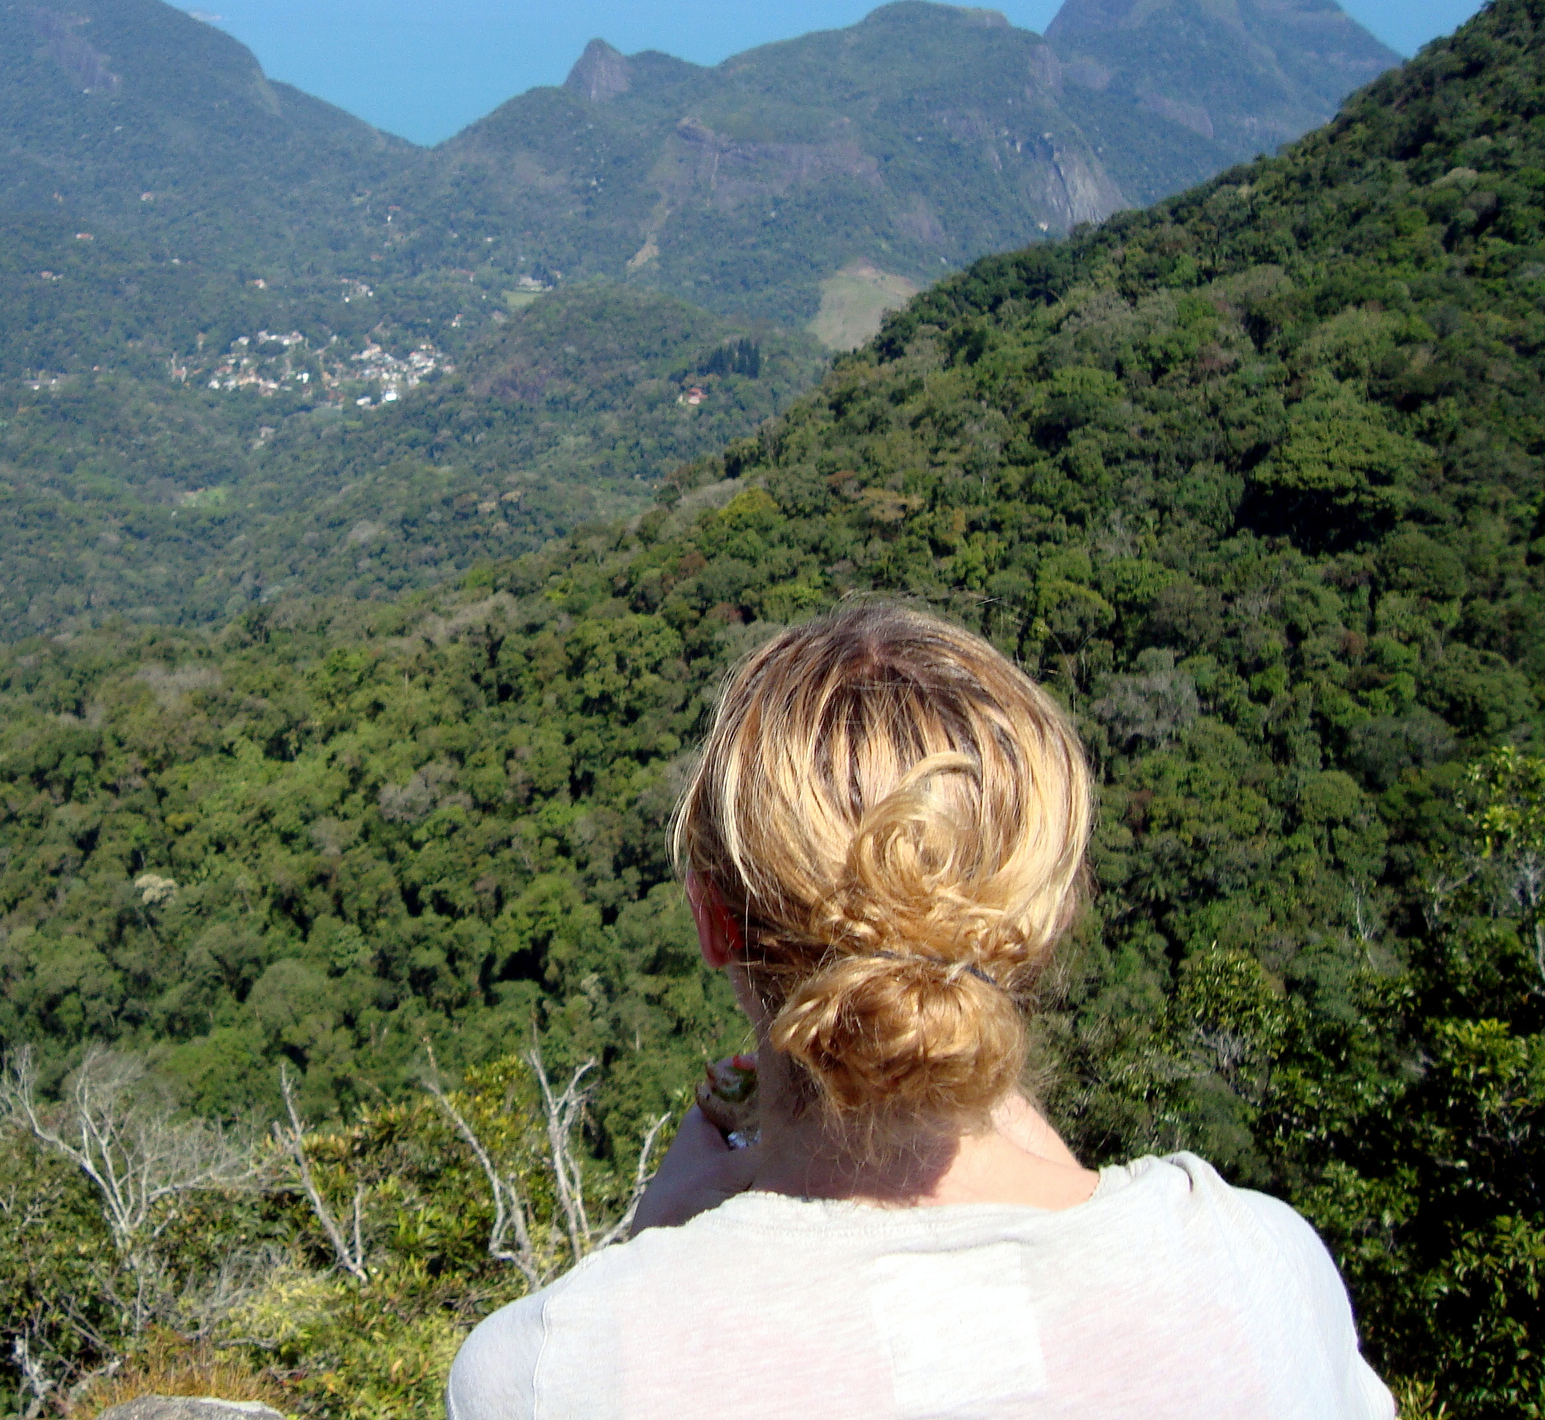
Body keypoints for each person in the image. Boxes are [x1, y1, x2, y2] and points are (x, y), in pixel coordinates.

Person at [446, 601, 1393, 1419]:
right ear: (1051, 911)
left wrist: (641, 1255)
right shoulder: (1262, 1275)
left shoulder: (545, 1373)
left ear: (713, 920)